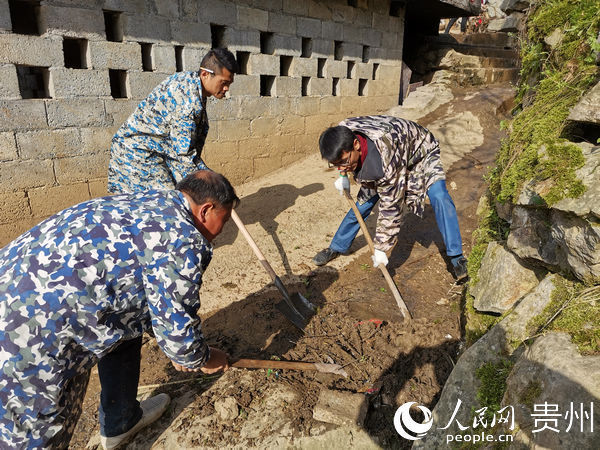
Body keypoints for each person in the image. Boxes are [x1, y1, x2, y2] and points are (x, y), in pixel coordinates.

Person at [0, 170, 239, 449]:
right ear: (206, 210)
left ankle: (121, 421)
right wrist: (201, 357)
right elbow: (178, 334)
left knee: (126, 325)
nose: (221, 232)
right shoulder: (183, 239)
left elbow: (147, 291)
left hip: (21, 289)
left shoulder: (153, 199)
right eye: (223, 221)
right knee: (38, 433)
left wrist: (172, 343)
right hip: (24, 333)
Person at [312, 116, 468, 280]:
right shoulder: (343, 131)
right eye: (336, 164)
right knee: (361, 205)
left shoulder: (384, 162)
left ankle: (456, 257)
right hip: (393, 152)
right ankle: (337, 246)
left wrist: (381, 247)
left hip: (421, 153)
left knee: (439, 195)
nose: (341, 166)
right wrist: (343, 174)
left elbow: (391, 207)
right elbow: (344, 159)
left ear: (356, 145)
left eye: (344, 162)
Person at [107, 48, 237, 194]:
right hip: (137, 154)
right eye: (223, 82)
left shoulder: (194, 85)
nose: (226, 88)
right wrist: (214, 183)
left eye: (229, 83)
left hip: (157, 152)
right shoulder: (187, 101)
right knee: (167, 203)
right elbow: (183, 157)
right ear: (205, 74)